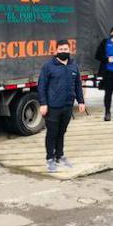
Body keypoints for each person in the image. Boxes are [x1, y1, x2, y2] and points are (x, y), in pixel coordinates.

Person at [38, 39, 86, 173]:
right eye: (61, 50)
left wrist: (81, 101)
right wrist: (43, 103)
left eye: (66, 49)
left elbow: (77, 85)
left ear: (69, 50)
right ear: (56, 51)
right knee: (52, 133)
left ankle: (60, 155)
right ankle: (49, 159)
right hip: (53, 106)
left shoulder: (73, 66)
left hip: (67, 106)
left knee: (62, 131)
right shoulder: (48, 66)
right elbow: (42, 86)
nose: (63, 52)